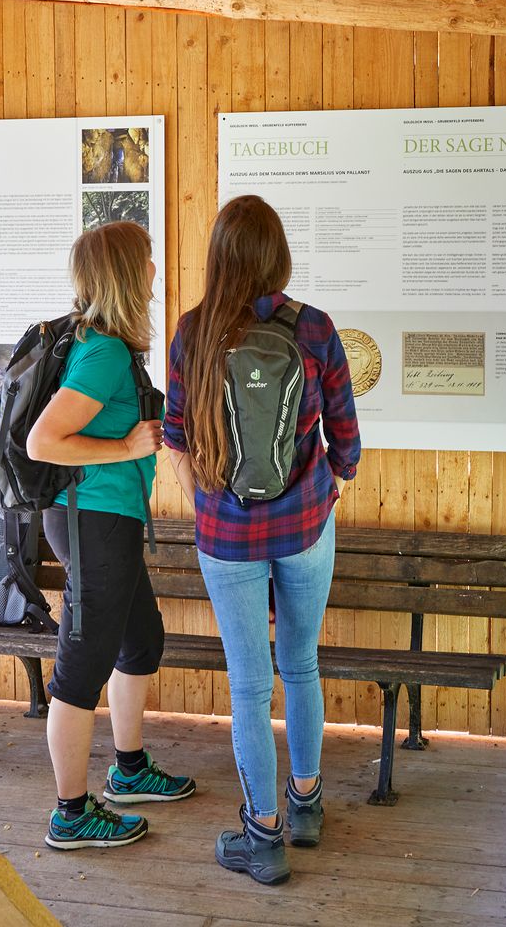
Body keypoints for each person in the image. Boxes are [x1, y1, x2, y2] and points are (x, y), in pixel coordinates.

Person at [164, 195, 361, 885]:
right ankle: (305, 805)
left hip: (227, 534)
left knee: (249, 687)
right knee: (300, 664)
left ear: (219, 256)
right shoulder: (315, 329)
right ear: (278, 255)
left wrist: (206, 500)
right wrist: (330, 487)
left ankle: (263, 836)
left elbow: (176, 435)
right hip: (305, 524)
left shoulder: (193, 332)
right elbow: (346, 437)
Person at [26, 220, 195, 851]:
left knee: (140, 640)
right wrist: (125, 447)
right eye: (146, 260)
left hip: (108, 519)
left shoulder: (110, 345)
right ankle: (70, 813)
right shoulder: (104, 354)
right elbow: (43, 441)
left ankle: (128, 770)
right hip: (92, 522)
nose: (155, 270)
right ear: (126, 273)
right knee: (82, 667)